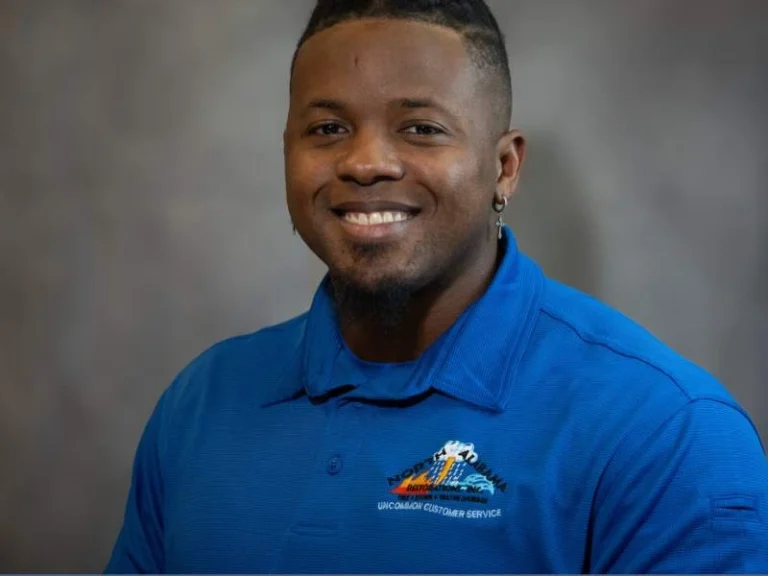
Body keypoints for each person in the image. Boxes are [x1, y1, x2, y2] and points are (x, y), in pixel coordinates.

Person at [105, 0, 768, 573]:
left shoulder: (667, 434)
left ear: (503, 167)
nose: (365, 161)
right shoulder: (201, 405)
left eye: (420, 128)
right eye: (328, 128)